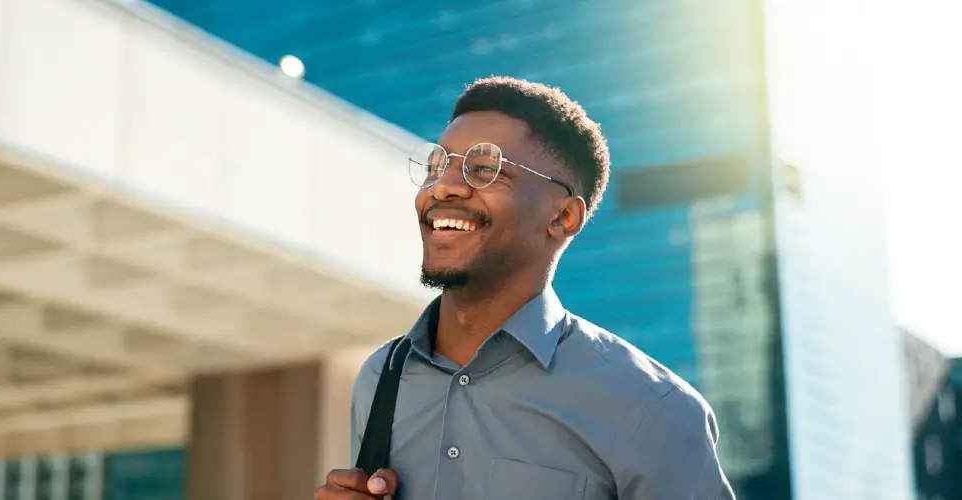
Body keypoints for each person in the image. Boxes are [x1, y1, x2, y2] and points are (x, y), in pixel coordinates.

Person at [315, 77, 735, 500]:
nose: (442, 187)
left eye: (485, 169)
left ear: (563, 217)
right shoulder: (380, 376)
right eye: (436, 167)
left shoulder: (654, 409)